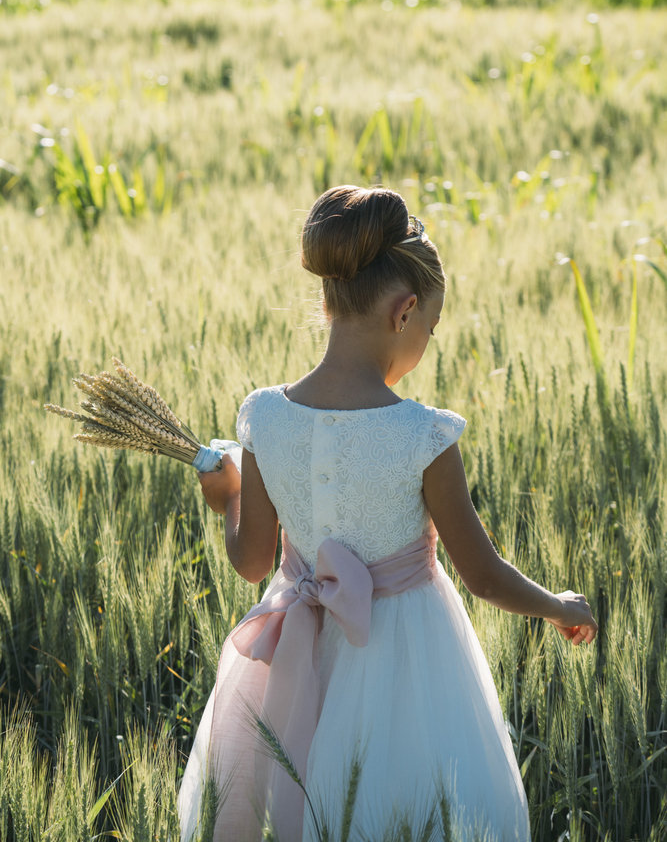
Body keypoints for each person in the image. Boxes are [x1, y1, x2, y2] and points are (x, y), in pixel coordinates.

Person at [178, 185, 598, 842]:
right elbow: (483, 576)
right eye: (432, 325)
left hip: (299, 658)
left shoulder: (263, 416)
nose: (427, 338)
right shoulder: (423, 435)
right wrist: (558, 605)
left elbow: (253, 561)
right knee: (407, 809)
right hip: (408, 661)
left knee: (305, 809)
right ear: (405, 312)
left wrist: (226, 497)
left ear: (328, 299)